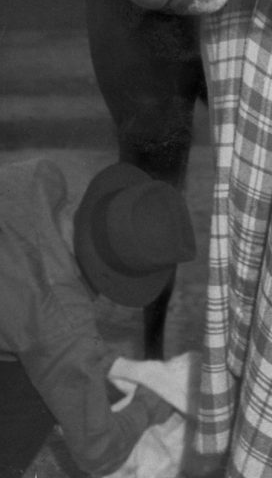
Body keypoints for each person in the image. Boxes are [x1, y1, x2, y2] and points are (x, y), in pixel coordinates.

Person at [0, 157, 196, 478]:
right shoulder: (62, 319)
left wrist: (93, 358)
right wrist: (147, 407)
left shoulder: (37, 176)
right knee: (43, 393)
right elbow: (99, 455)